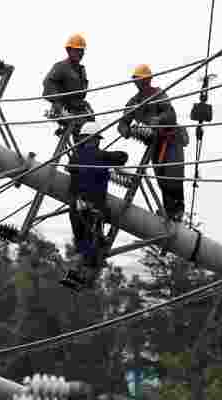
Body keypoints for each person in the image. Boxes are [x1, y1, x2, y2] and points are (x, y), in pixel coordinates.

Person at [61, 123, 129, 291]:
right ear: (95, 140)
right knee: (92, 245)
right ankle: (81, 274)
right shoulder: (101, 156)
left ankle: (76, 274)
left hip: (76, 208)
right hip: (94, 208)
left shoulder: (75, 157)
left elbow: (70, 168)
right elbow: (122, 156)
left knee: (82, 243)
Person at [117, 64, 189, 221]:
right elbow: (122, 123)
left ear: (149, 80)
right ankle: (169, 210)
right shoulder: (134, 102)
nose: (140, 83)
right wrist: (126, 131)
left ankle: (177, 210)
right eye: (137, 80)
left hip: (171, 140)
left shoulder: (159, 95)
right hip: (154, 144)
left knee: (173, 175)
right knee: (162, 177)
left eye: (142, 79)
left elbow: (171, 115)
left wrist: (158, 120)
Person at [42, 34, 95, 134]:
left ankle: (82, 148)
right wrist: (59, 105)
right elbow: (48, 83)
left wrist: (89, 111)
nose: (80, 53)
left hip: (79, 108)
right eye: (77, 50)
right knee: (82, 130)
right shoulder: (61, 67)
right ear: (69, 50)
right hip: (66, 108)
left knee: (91, 130)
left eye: (82, 50)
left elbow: (81, 95)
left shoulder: (81, 70)